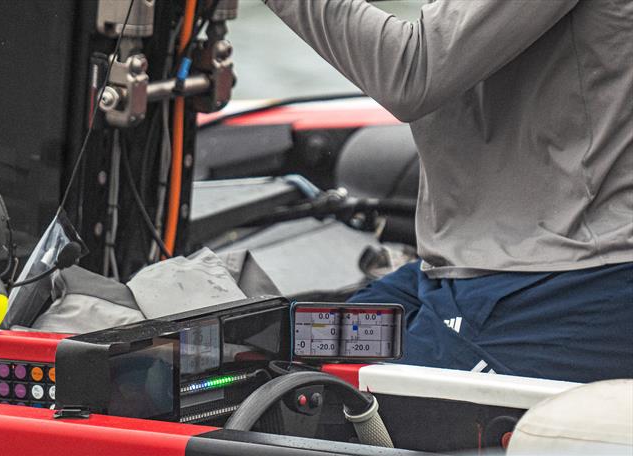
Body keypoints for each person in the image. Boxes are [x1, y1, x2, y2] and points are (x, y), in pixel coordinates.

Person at [265, 0, 632, 383]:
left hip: (566, 283)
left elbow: (413, 71)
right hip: (469, 267)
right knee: (293, 346)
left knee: (330, 407)